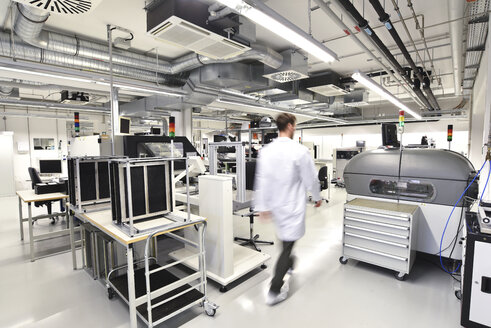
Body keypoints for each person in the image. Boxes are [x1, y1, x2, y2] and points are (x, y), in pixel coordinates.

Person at [253, 113, 322, 306]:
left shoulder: (266, 150)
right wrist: (317, 197)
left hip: (276, 205)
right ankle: (274, 289)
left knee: (286, 240)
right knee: (288, 243)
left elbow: (262, 179)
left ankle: (290, 264)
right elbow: (311, 179)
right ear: (291, 126)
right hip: (292, 206)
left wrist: (262, 206)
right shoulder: (299, 151)